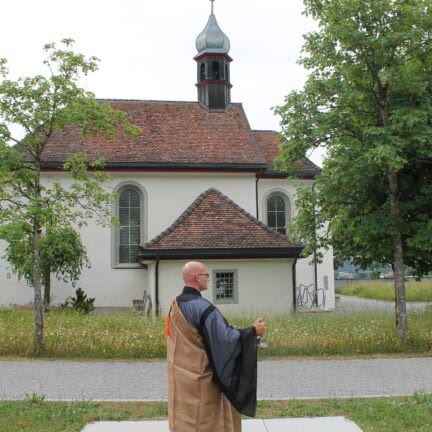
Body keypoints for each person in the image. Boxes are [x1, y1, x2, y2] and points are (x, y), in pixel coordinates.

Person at [166, 261, 266, 432]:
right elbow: (226, 339)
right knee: (205, 422)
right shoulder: (201, 307)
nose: (208, 279)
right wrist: (252, 332)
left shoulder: (175, 304)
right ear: (197, 277)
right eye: (206, 275)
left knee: (184, 419)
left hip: (181, 378)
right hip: (201, 380)